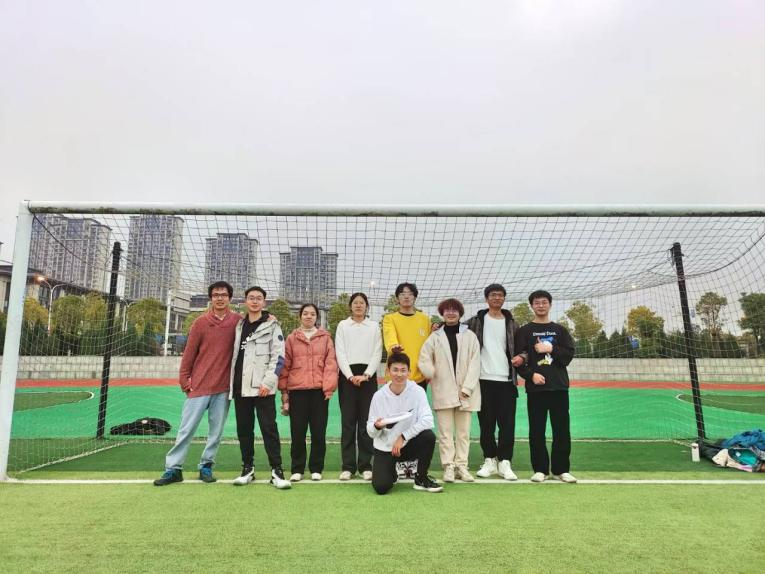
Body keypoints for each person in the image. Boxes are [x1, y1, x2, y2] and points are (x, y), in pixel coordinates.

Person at [154, 281, 239, 486]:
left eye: (224, 294)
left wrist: (269, 318)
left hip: (223, 388)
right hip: (199, 386)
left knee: (216, 432)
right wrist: (184, 379)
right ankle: (173, 469)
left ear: (230, 298)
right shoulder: (200, 323)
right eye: (216, 294)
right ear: (211, 298)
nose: (220, 298)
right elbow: (189, 354)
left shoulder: (238, 322)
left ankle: (206, 466)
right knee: (186, 430)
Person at [229, 286, 291, 489]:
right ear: (245, 301)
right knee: (244, 429)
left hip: (263, 388)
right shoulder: (239, 325)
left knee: (268, 429)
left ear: (264, 302)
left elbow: (279, 357)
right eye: (251, 298)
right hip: (241, 387)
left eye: (258, 298)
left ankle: (277, 470)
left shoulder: (272, 325)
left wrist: (268, 382)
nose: (255, 301)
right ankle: (247, 468)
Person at [514, 290, 578, 483]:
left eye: (544, 302)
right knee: (537, 431)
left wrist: (550, 348)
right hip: (536, 390)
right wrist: (531, 375)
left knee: (562, 430)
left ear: (550, 304)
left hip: (559, 387)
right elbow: (518, 360)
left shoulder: (560, 330)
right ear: (532, 306)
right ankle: (540, 469)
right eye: (537, 303)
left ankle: (561, 470)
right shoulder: (524, 331)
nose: (540, 305)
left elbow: (567, 357)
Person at [465, 283, 525, 481]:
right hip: (482, 380)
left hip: (507, 381)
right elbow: (454, 327)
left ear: (504, 299)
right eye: (493, 295)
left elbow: (524, 349)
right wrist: (437, 326)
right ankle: (489, 460)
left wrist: (522, 357)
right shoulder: (475, 321)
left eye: (500, 295)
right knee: (486, 424)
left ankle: (505, 462)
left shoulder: (513, 324)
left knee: (507, 425)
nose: (496, 298)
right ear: (486, 299)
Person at [418, 298, 481, 483]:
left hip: (465, 392)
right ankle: (448, 466)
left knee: (463, 433)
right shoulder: (435, 337)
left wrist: (468, 387)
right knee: (445, 433)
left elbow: (475, 363)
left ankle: (462, 466)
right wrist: (431, 372)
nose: (451, 313)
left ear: (460, 313)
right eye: (447, 310)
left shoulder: (470, 336)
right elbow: (424, 357)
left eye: (454, 310)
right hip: (443, 389)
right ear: (442, 313)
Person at [367, 352, 443, 494]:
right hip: (386, 447)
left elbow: (428, 420)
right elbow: (371, 432)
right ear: (388, 371)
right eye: (395, 370)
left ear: (409, 372)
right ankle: (391, 471)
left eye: (403, 370)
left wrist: (403, 436)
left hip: (407, 445)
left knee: (428, 436)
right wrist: (377, 426)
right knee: (381, 487)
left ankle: (421, 478)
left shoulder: (418, 391)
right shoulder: (379, 396)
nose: (399, 374)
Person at [278, 303, 338, 482]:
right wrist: (284, 392)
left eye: (312, 314)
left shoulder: (325, 338)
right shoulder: (291, 339)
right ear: (300, 316)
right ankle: (297, 468)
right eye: (305, 313)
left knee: (318, 432)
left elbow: (331, 364)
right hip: (297, 392)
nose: (309, 316)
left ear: (316, 317)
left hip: (319, 392)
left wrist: (328, 387)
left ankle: (316, 468)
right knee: (297, 432)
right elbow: (285, 366)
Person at [334, 292, 382, 481]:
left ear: (366, 306)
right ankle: (348, 467)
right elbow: (340, 352)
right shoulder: (343, 325)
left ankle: (365, 466)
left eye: (362, 303)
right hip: (348, 377)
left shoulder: (374, 326)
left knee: (366, 424)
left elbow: (377, 352)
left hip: (368, 378)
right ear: (350, 306)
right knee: (348, 423)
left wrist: (367, 374)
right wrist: (350, 376)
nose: (359, 305)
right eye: (355, 303)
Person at [382, 282, 431, 388]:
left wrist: (429, 370)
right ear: (397, 298)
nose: (406, 296)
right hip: (396, 375)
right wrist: (393, 346)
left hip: (419, 376)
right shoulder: (389, 318)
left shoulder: (425, 319)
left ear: (415, 298)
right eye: (402, 294)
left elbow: (429, 346)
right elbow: (390, 336)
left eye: (410, 294)